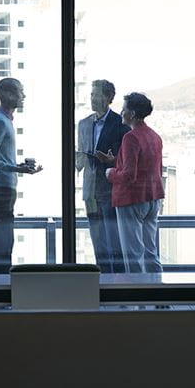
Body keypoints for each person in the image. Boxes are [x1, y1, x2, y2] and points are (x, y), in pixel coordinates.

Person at [0, 78, 42, 274]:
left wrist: (18, 167)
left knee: (4, 241)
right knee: (2, 242)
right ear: (7, 95)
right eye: (19, 91)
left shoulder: (5, 120)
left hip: (4, 187)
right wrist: (17, 169)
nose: (23, 96)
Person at [105, 93, 164, 273]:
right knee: (150, 252)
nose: (121, 112)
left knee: (133, 254)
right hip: (152, 198)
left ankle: (138, 300)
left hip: (132, 200)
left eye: (124, 108)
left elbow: (129, 175)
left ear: (131, 113)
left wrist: (111, 173)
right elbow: (150, 167)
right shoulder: (154, 136)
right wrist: (116, 160)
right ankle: (160, 297)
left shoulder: (131, 137)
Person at [76, 80, 130, 273]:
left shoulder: (120, 124)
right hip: (90, 191)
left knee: (114, 243)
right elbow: (79, 160)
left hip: (109, 190)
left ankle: (118, 286)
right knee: (98, 243)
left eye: (96, 94)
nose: (92, 98)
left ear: (108, 98)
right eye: (91, 94)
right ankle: (102, 283)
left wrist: (110, 160)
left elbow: (126, 160)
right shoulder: (83, 124)